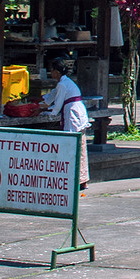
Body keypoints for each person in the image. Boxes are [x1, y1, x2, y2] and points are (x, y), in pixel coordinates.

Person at [43, 58, 92, 188]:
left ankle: (77, 178)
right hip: (76, 113)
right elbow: (50, 97)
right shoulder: (64, 82)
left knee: (73, 145)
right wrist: (39, 102)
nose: (50, 73)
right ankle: (81, 179)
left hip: (73, 115)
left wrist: (46, 111)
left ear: (57, 72)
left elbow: (56, 107)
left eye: (52, 70)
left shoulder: (62, 84)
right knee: (79, 145)